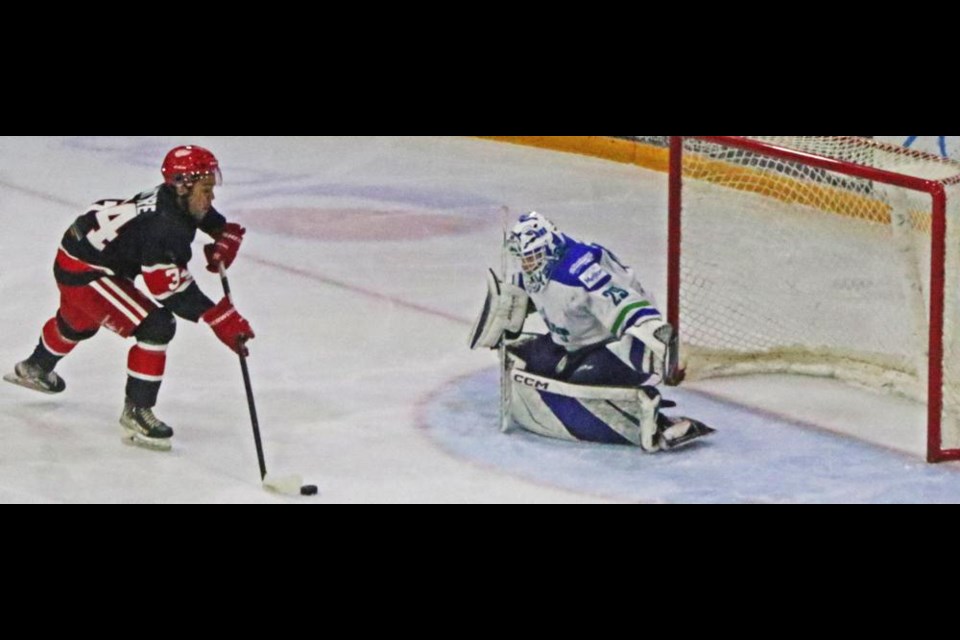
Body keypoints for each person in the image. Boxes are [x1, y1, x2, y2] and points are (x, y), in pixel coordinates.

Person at [3, 145, 255, 451]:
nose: (211, 197)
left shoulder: (171, 200)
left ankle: (35, 367)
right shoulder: (164, 227)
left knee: (77, 323)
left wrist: (222, 232)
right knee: (156, 325)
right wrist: (218, 316)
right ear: (183, 186)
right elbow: (167, 289)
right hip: (88, 272)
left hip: (77, 255)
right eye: (206, 189)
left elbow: (196, 213)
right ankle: (137, 410)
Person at [468, 211, 714, 452]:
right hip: (574, 343)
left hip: (615, 344)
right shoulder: (537, 268)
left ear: (550, 249)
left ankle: (654, 417)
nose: (527, 265)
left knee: (578, 384)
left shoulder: (579, 272)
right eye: (523, 258)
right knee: (524, 358)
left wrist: (649, 330)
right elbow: (526, 296)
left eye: (531, 257)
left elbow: (619, 301)